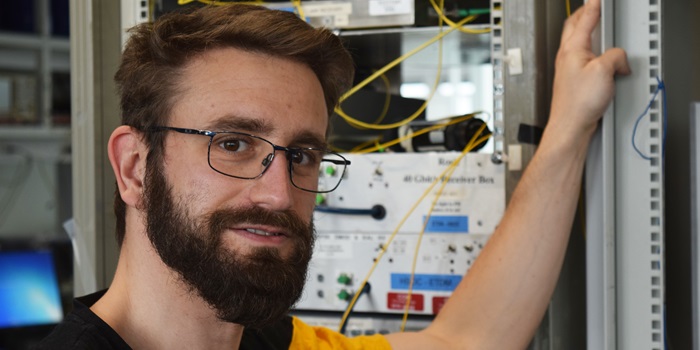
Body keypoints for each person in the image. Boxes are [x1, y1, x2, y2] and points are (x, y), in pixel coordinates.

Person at [38, 0, 629, 348]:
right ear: (135, 168)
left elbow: (464, 341)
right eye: (234, 143)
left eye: (301, 155)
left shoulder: (275, 343)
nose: (278, 192)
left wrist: (570, 128)